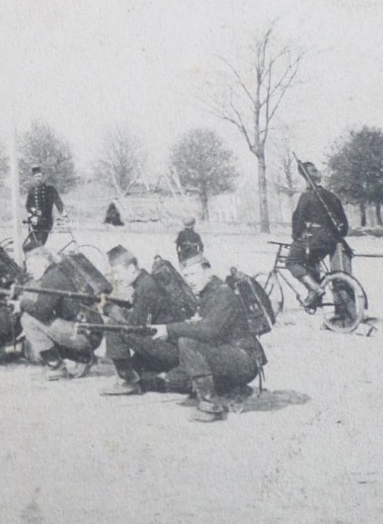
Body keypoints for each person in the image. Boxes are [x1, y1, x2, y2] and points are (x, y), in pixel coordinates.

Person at [149, 255, 267, 422]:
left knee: (187, 343)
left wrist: (170, 329)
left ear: (208, 271)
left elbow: (209, 330)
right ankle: (233, 390)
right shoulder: (208, 293)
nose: (189, 280)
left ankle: (211, 405)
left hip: (244, 359)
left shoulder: (223, 294)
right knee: (175, 380)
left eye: (193, 274)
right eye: (186, 276)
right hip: (227, 356)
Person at [98, 245, 188, 396]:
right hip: (169, 344)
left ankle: (128, 382)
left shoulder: (147, 287)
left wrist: (107, 308)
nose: (115, 278)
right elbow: (139, 313)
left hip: (171, 350)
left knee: (113, 327)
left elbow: (136, 325)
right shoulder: (146, 282)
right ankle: (140, 375)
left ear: (132, 268)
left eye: (117, 273)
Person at [15, 247, 104, 379]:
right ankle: (83, 357)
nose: (29, 270)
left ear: (43, 262)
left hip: (83, 334)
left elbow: (42, 313)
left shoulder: (51, 277)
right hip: (92, 330)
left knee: (28, 319)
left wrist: (22, 303)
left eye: (31, 265)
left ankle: (56, 367)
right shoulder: (61, 270)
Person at [287, 161, 350, 308]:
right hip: (332, 241)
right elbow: (344, 227)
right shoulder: (332, 196)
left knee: (291, 261)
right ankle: (315, 299)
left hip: (314, 239)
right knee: (311, 263)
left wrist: (296, 238)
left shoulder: (306, 197)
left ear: (305, 178)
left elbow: (298, 222)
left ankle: (316, 289)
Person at [23, 166, 64, 250]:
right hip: (35, 222)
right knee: (35, 244)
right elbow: (28, 205)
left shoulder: (50, 189)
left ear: (43, 177)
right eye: (37, 177)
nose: (39, 179)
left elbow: (58, 203)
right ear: (33, 178)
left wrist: (64, 215)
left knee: (41, 243)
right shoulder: (32, 191)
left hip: (46, 221)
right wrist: (34, 212)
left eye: (40, 176)